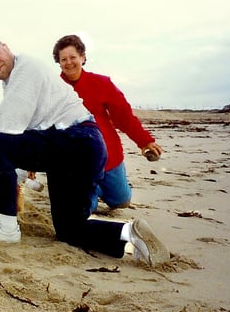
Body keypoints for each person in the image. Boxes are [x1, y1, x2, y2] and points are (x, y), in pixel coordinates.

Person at [0, 37, 169, 266]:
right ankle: (130, 233)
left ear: (6, 47)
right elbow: (25, 132)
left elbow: (7, 126)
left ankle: (6, 229)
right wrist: (18, 178)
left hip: (77, 140)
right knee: (70, 230)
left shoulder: (26, 68)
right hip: (75, 150)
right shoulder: (14, 82)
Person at [52, 34, 163, 211]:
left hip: (108, 155)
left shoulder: (101, 83)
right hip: (75, 160)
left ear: (83, 57)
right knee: (87, 207)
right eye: (63, 59)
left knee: (121, 202)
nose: (69, 62)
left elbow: (123, 116)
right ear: (58, 62)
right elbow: (42, 121)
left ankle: (104, 188)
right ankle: (90, 191)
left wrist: (144, 141)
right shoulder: (53, 87)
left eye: (73, 57)